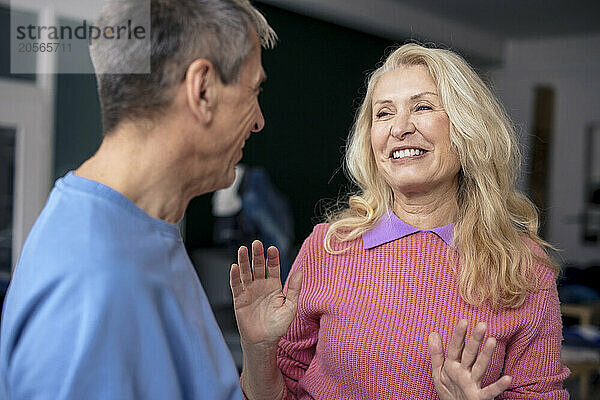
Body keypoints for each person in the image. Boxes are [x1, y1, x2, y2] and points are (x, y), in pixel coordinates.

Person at [230, 43, 570, 399]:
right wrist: (257, 351)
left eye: (422, 106)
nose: (400, 128)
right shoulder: (328, 246)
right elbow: (280, 389)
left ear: (466, 128)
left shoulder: (524, 265)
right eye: (384, 113)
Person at [0, 0, 276, 398]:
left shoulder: (147, 228)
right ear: (203, 90)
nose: (258, 120)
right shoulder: (90, 288)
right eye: (253, 91)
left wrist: (259, 353)